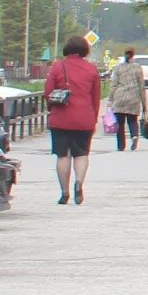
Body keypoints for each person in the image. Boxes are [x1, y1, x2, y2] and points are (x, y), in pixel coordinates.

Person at [42, 36, 102, 205]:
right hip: (84, 118)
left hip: (60, 118)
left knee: (62, 155)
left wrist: (51, 108)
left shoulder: (57, 66)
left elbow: (48, 92)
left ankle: (64, 192)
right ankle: (79, 184)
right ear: (85, 50)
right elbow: (95, 97)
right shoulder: (91, 69)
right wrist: (93, 117)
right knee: (81, 154)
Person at [106, 48, 147, 152]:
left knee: (120, 123)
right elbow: (141, 86)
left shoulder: (118, 67)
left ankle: (121, 146)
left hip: (119, 97)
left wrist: (110, 99)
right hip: (133, 98)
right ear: (133, 55)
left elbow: (113, 84)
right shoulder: (138, 68)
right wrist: (144, 102)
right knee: (132, 121)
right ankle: (134, 136)